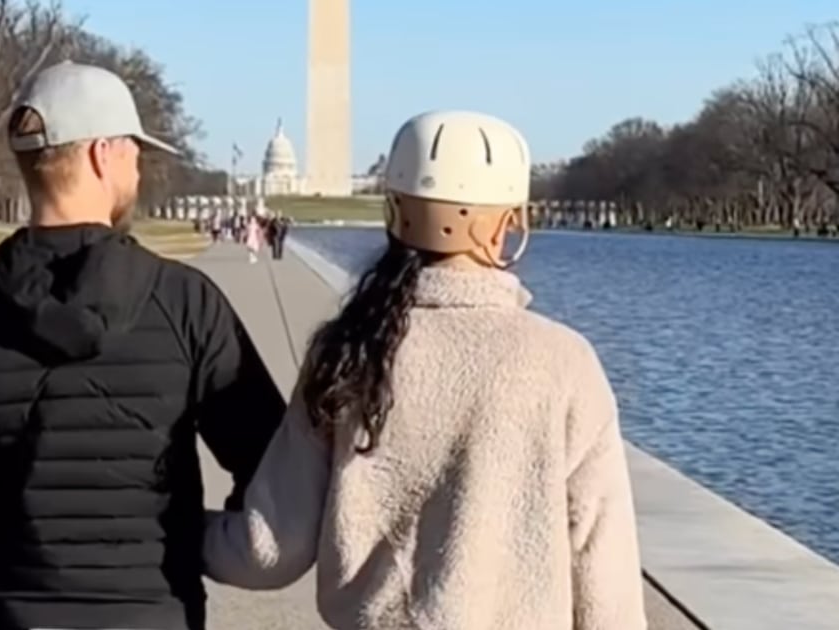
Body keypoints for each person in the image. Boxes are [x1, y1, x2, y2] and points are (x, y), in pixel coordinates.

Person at [202, 111, 647, 629]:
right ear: (510, 223)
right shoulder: (565, 362)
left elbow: (269, 551)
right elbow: (606, 588)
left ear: (393, 212)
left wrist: (172, 530)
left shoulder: (347, 351)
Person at [0, 60, 286, 630]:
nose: (138, 166)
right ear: (102, 154)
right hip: (154, 613)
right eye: (134, 150)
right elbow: (275, 468)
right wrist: (192, 540)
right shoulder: (186, 303)